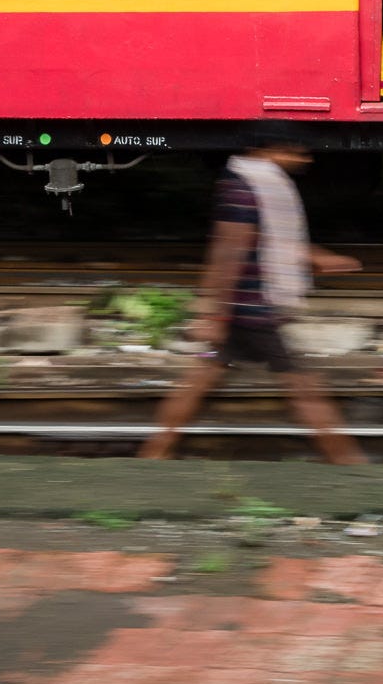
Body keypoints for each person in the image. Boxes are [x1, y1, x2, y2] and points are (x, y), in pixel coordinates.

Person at [139, 133, 365, 464]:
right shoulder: (244, 188)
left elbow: (272, 240)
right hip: (251, 311)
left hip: (242, 310)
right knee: (303, 388)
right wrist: (214, 316)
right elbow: (228, 252)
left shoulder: (260, 182)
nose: (305, 160)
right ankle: (350, 464)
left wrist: (318, 257)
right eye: (297, 152)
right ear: (271, 149)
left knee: (199, 381)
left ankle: (153, 454)